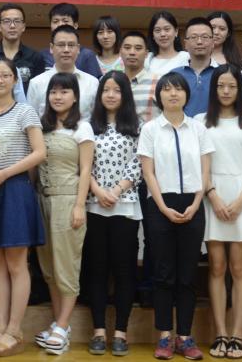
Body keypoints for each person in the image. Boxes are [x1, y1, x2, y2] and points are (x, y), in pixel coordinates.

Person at [0, 58, 46, 357]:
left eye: (5, 75)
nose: (0, 80)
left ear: (15, 79)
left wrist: (5, 173)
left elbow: (39, 152)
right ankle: (0, 327)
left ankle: (15, 329)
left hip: (15, 190)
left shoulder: (25, 111)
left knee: (16, 263)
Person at [139, 72, 213, 361]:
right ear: (159, 95)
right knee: (163, 274)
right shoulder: (150, 129)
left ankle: (185, 336)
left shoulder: (198, 129)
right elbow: (148, 173)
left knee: (187, 274)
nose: (173, 94)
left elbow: (205, 170)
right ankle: (164, 336)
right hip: (160, 205)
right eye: (167, 89)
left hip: (193, 204)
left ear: (186, 94)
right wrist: (162, 206)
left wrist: (196, 203)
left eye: (178, 89)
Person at [199, 65, 242, 360]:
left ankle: (238, 334)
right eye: (221, 86)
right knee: (216, 266)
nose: (226, 91)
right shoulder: (200, 122)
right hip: (211, 194)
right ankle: (220, 333)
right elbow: (198, 164)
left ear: (240, 90)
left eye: (232, 86)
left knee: (239, 267)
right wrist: (212, 195)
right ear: (213, 89)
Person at [33, 74, 94, 355]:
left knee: (66, 266)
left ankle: (63, 324)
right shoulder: (41, 127)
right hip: (41, 200)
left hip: (68, 200)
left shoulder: (82, 128)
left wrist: (80, 205)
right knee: (48, 268)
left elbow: (86, 170)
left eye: (64, 91)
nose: (58, 97)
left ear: (75, 96)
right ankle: (59, 324)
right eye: (53, 92)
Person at [85, 71, 142, 356]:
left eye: (116, 90)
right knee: (96, 269)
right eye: (106, 90)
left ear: (125, 95)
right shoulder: (88, 126)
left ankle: (120, 332)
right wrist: (98, 191)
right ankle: (98, 331)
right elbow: (83, 165)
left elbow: (138, 164)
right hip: (94, 206)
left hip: (125, 206)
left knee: (124, 270)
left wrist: (116, 191)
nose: (110, 95)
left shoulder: (137, 126)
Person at [27, 25, 99, 120]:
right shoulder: (36, 83)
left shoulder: (92, 82)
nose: (66, 50)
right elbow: (31, 121)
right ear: (51, 48)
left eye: (71, 45)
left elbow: (97, 120)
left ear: (78, 49)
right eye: (61, 45)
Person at [39, 3, 103, 78]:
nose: (60, 25)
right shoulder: (42, 55)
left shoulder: (87, 55)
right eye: (55, 21)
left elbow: (94, 82)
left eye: (65, 21)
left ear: (75, 25)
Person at [0, 3, 47, 93]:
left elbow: (39, 91)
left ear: (23, 27)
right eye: (7, 21)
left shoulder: (35, 57)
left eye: (17, 21)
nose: (12, 26)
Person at [175, 17, 215, 118]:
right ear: (185, 44)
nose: (199, 42)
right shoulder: (174, 75)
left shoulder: (224, 74)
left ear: (213, 42)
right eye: (193, 37)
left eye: (205, 37)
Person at [119, 30, 160, 124]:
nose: (132, 52)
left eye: (138, 48)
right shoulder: (112, 81)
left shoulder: (158, 82)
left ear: (146, 53)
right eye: (127, 48)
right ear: (120, 51)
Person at [146, 11, 189, 76]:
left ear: (176, 32)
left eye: (167, 29)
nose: (162, 34)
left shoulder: (186, 58)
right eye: (157, 30)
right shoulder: (147, 59)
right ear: (153, 35)